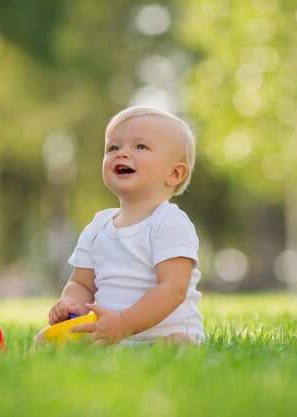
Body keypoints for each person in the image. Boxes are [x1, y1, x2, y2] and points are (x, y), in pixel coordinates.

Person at [36, 106, 205, 345]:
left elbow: (173, 289)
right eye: (113, 147)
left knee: (179, 343)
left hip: (161, 336)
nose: (122, 153)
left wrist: (124, 324)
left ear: (175, 174)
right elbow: (81, 283)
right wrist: (70, 305)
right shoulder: (98, 226)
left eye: (140, 146)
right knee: (43, 341)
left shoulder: (169, 222)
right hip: (109, 336)